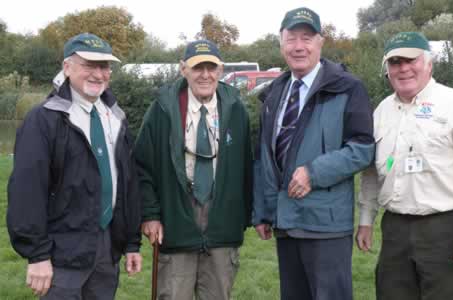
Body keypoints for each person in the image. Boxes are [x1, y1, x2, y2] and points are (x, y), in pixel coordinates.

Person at [356, 32, 453, 299]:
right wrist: (365, 220)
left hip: (446, 229)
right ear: (387, 70)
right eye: (395, 62)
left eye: (411, 60)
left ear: (429, 64)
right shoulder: (381, 111)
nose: (404, 68)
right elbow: (372, 173)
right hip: (395, 228)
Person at [7, 33, 142, 299]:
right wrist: (37, 255)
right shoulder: (44, 120)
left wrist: (131, 243)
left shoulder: (116, 117)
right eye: (89, 65)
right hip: (62, 252)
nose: (98, 74)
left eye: (104, 66)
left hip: (106, 249)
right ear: (67, 68)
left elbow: (128, 184)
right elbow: (27, 192)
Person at [252, 7, 375, 300]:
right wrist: (263, 211)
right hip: (286, 222)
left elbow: (363, 148)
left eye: (307, 38)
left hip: (326, 225)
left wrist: (314, 172)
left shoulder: (348, 88)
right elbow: (264, 156)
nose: (298, 46)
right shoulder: (273, 93)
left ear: (321, 42)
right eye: (291, 38)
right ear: (281, 44)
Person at [134, 39, 253, 300]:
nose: (205, 75)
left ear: (221, 70)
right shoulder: (162, 110)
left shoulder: (237, 110)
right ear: (183, 69)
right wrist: (151, 214)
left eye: (212, 67)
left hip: (222, 228)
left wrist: (241, 219)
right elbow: (142, 166)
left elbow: (247, 169)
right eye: (198, 67)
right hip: (176, 225)